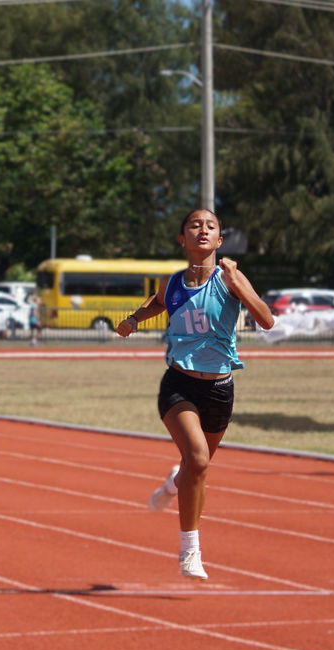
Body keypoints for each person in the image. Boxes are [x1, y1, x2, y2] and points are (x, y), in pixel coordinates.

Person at [116, 209, 275, 580]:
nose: (202, 230)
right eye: (194, 225)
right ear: (182, 239)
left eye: (210, 226)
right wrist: (134, 320)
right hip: (179, 385)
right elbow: (160, 302)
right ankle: (190, 551)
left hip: (219, 389)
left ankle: (173, 484)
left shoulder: (229, 278)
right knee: (199, 460)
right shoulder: (172, 283)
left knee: (194, 469)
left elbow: (266, 320)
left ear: (219, 241)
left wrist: (238, 282)